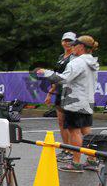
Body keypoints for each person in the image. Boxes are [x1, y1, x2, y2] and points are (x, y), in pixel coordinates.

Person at [37, 35, 100, 173]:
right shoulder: (92, 62)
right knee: (86, 131)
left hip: (74, 101)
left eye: (74, 45)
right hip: (87, 100)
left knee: (74, 131)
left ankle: (76, 163)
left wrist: (46, 72)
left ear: (81, 47)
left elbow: (63, 79)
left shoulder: (77, 62)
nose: (72, 47)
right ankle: (92, 160)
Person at [45, 32, 76, 163]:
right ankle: (65, 149)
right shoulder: (60, 57)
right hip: (59, 91)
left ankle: (72, 151)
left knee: (70, 123)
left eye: (70, 41)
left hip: (70, 92)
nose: (67, 43)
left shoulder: (75, 57)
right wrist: (50, 93)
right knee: (61, 121)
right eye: (65, 40)